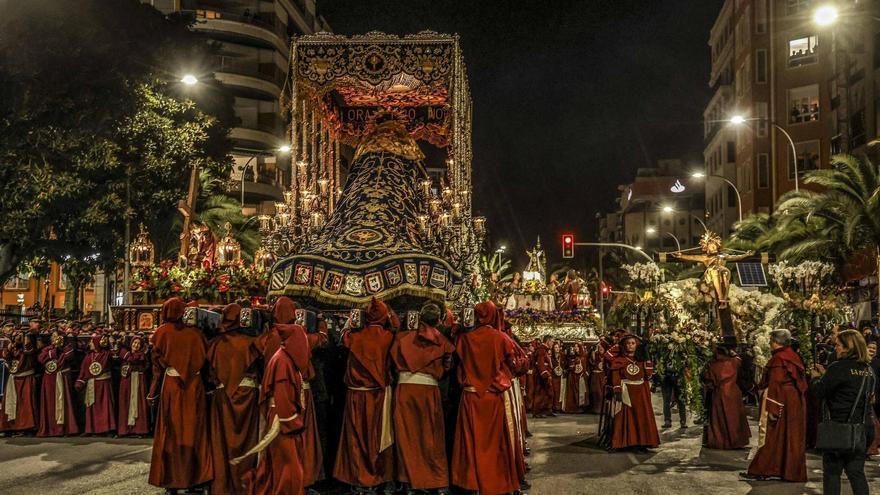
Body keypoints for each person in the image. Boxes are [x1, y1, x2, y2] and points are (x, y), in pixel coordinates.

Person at [450, 300, 520, 495]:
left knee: (470, 442)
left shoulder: (464, 339)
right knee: (495, 444)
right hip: (492, 398)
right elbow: (514, 362)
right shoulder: (501, 338)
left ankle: (471, 483)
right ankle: (496, 482)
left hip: (470, 397)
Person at [239, 309, 308, 495]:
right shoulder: (284, 361)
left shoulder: (283, 358)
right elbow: (283, 396)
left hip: (279, 417)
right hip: (283, 421)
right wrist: (291, 421)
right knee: (288, 463)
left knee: (279, 462)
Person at [148, 298, 213, 493]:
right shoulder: (197, 334)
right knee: (195, 430)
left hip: (171, 386)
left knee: (171, 431)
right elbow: (206, 360)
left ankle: (171, 480)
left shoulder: (161, 333)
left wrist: (152, 392)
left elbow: (157, 366)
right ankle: (196, 479)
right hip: (194, 386)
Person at [390, 302, 455, 495]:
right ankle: (435, 481)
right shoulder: (442, 341)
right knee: (431, 437)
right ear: (439, 320)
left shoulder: (401, 338)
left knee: (407, 436)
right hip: (428, 392)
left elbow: (393, 363)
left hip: (405, 391)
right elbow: (447, 367)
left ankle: (409, 481)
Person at [333, 298, 395, 493]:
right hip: (377, 396)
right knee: (376, 439)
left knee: (356, 438)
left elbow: (342, 335)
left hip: (355, 397)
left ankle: (357, 480)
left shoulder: (355, 337)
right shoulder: (388, 337)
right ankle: (376, 478)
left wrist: (350, 322)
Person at [809, 329, 875, 495]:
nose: (835, 348)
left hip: (839, 428)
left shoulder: (838, 368)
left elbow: (819, 392)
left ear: (848, 347)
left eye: (838, 345)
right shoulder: (869, 371)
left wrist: (816, 378)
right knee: (856, 473)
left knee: (832, 473)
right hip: (862, 429)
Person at [208, 303, 262, 495]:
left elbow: (210, 373)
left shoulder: (214, 344)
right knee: (248, 440)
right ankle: (246, 484)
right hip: (247, 396)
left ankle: (223, 485)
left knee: (222, 442)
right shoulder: (252, 341)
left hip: (223, 396)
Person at [742, 329, 808, 482]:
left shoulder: (779, 359)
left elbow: (776, 383)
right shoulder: (792, 356)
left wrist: (773, 407)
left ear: (775, 342)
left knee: (773, 435)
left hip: (781, 401)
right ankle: (789, 470)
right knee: (789, 435)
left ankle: (764, 468)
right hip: (793, 402)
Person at [608, 334, 660, 451]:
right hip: (626, 391)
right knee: (625, 418)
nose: (630, 346)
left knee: (641, 417)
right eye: (628, 343)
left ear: (637, 345)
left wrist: (647, 358)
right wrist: (617, 390)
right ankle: (623, 443)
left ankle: (642, 442)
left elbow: (648, 374)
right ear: (624, 345)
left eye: (633, 343)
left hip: (640, 393)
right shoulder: (619, 360)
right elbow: (615, 375)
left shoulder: (641, 360)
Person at [701, 344, 750, 449]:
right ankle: (736, 440)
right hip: (733, 392)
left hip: (720, 393)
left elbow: (709, 381)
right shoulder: (734, 362)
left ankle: (721, 440)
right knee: (734, 417)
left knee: (720, 418)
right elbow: (742, 364)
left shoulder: (713, 365)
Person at [37, 331, 79, 437]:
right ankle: (50, 428)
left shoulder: (66, 348)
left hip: (62, 378)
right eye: (54, 336)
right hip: (49, 379)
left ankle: (65, 428)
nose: (55, 338)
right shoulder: (48, 349)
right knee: (50, 403)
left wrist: (61, 347)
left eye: (58, 336)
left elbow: (69, 356)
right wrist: (54, 350)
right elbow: (41, 358)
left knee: (64, 402)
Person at [76, 333, 116, 435]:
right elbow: (84, 370)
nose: (90, 343)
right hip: (92, 384)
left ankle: (106, 429)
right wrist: (80, 382)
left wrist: (110, 342)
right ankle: (91, 429)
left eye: (92, 342)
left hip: (103, 385)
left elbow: (114, 354)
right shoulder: (88, 356)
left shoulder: (106, 354)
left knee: (105, 407)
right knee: (92, 407)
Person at [1, 330, 38, 434]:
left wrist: (25, 342)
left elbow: (30, 352)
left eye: (20, 336)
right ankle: (10, 427)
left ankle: (27, 428)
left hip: (26, 378)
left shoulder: (28, 347)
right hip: (14, 378)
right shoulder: (12, 347)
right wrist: (11, 345)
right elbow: (6, 356)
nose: (18, 337)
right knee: (11, 403)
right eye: (16, 335)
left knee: (25, 404)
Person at [116, 334, 150, 437]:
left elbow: (134, 360)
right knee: (125, 402)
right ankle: (125, 430)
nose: (136, 345)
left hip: (138, 381)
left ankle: (140, 429)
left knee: (139, 403)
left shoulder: (141, 355)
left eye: (138, 344)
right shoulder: (126, 353)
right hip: (126, 382)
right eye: (135, 343)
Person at [657, 352, 687, 429]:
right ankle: (667, 420)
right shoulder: (663, 349)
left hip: (679, 375)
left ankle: (683, 420)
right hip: (666, 376)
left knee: (681, 400)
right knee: (666, 400)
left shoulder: (681, 349)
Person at [531, 335, 555, 417]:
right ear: (547, 341)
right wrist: (545, 374)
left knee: (549, 393)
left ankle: (547, 410)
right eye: (552, 341)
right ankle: (537, 412)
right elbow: (540, 363)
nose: (553, 343)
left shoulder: (545, 350)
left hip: (546, 374)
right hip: (542, 376)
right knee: (540, 393)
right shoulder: (541, 350)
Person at [562, 343, 588, 413]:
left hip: (579, 377)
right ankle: (572, 407)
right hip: (572, 376)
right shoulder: (572, 356)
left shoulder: (582, 357)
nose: (575, 348)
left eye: (577, 347)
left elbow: (582, 367)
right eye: (575, 346)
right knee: (572, 392)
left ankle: (579, 407)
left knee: (579, 391)